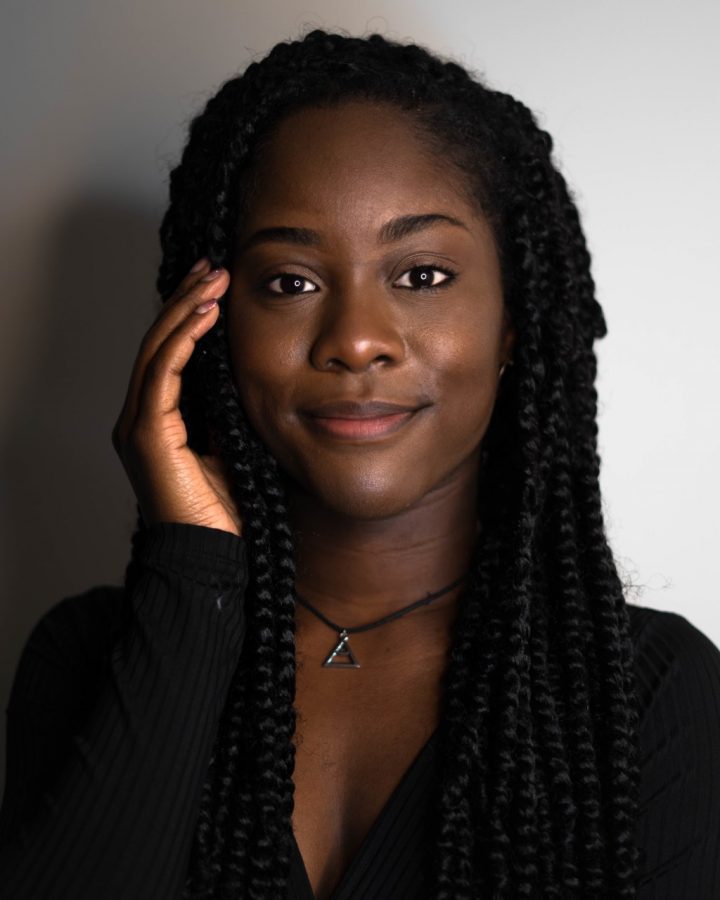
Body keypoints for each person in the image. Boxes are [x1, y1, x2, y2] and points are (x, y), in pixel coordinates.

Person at [1, 29, 719, 900]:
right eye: (290, 282)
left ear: (513, 327)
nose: (355, 341)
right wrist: (193, 579)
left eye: (420, 275)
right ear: (209, 327)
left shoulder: (650, 693)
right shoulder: (87, 657)